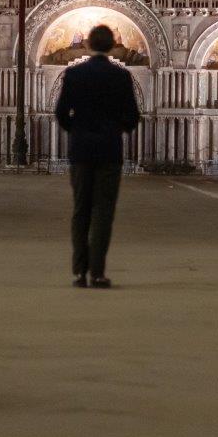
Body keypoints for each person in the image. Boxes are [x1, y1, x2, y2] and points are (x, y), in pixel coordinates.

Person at [54, 24, 140, 289]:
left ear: (88, 44)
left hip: (80, 151)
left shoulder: (74, 74)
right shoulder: (121, 76)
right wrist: (115, 130)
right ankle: (98, 273)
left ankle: (79, 272)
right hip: (109, 152)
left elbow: (60, 113)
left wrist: (77, 131)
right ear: (113, 45)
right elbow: (133, 117)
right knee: (103, 212)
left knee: (81, 210)